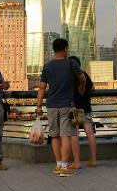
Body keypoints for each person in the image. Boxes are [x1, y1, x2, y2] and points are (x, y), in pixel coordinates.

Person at [36, 38, 86, 177]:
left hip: (51, 105)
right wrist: (81, 87)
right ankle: (64, 167)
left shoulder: (47, 66)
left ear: (53, 49)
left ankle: (58, 165)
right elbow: (82, 78)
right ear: (65, 48)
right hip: (66, 105)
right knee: (66, 136)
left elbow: (41, 87)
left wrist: (39, 105)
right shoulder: (71, 63)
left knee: (55, 136)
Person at [69, 56, 97, 168]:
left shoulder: (69, 77)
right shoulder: (84, 74)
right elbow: (92, 88)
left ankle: (77, 162)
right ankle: (93, 160)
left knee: (74, 134)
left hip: (75, 108)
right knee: (90, 133)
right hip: (86, 107)